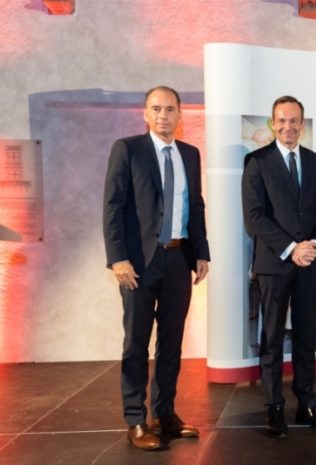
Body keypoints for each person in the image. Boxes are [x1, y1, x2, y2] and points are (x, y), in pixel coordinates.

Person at [103, 86, 210, 450]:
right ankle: (136, 419)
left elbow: (196, 205)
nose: (163, 115)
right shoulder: (128, 149)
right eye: (156, 109)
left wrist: (201, 252)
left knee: (171, 342)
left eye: (170, 109)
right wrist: (118, 258)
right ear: (145, 114)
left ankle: (165, 414)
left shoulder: (190, 154)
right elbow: (112, 207)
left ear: (180, 114)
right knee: (136, 342)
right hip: (138, 263)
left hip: (178, 259)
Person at [241, 95, 316, 438]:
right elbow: (254, 217)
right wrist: (290, 248)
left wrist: (312, 245)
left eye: (294, 120)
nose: (288, 126)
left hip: (309, 264)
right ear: (272, 124)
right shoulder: (257, 162)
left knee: (305, 338)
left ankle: (307, 404)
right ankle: (274, 407)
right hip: (274, 264)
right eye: (281, 120)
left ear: (302, 124)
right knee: (271, 338)